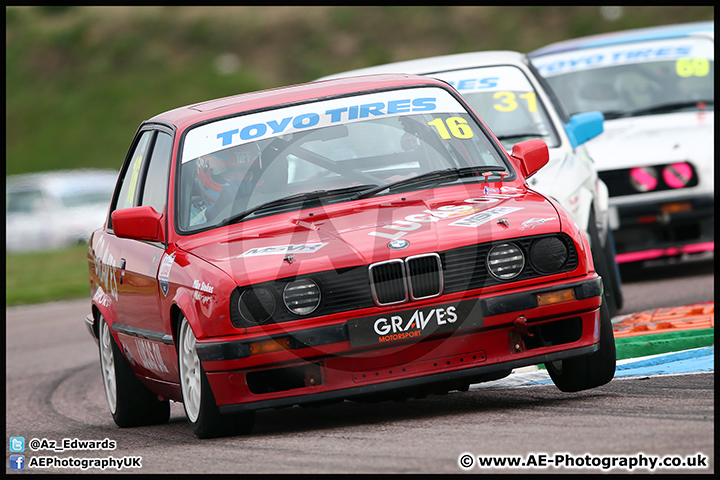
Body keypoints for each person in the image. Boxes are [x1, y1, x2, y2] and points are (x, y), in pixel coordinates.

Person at [190, 144, 260, 226]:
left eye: (246, 173)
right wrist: (214, 211)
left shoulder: (267, 201)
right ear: (205, 174)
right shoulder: (188, 213)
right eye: (230, 174)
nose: (239, 179)